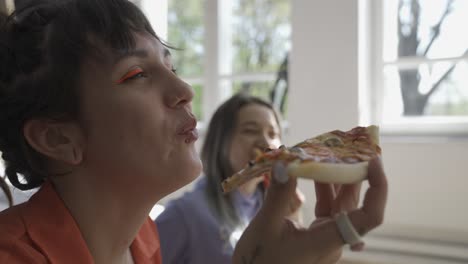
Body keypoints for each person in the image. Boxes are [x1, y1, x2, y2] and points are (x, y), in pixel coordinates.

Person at [0, 0, 388, 263]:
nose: (184, 91)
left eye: (170, 67)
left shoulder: (142, 241)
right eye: (136, 74)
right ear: (58, 138)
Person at [156, 93, 305, 263]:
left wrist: (294, 221)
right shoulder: (184, 214)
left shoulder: (274, 206)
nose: (265, 143)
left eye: (273, 134)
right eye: (250, 130)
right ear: (221, 141)